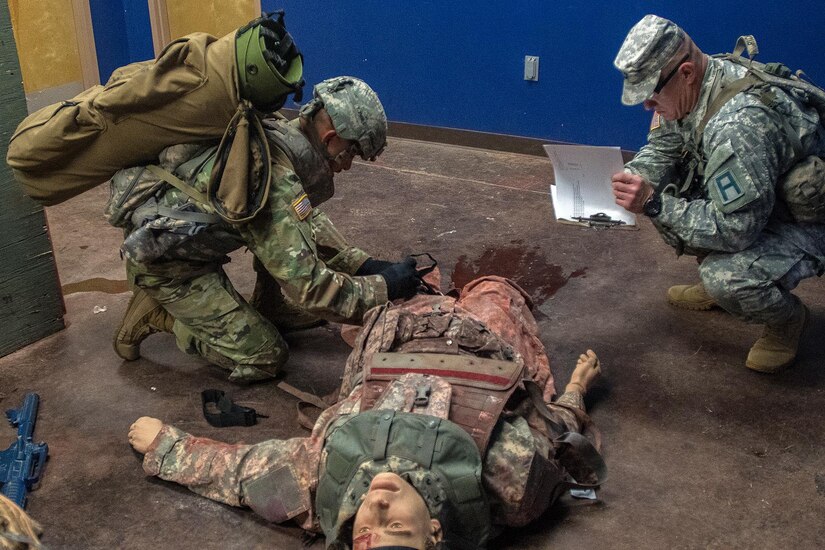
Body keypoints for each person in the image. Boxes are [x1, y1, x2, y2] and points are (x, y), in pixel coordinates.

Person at [128, 276, 606, 549]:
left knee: (401, 299)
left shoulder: (321, 482)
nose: (376, 507)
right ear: (434, 532)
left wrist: (167, 448)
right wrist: (577, 390)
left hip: (392, 339)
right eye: (395, 525)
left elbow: (239, 472)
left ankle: (431, 293)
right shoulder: (510, 480)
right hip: (480, 345)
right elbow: (559, 436)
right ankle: (463, 293)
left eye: (366, 528)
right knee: (494, 289)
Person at [109, 76, 422, 382]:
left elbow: (303, 219)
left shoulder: (279, 134)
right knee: (265, 357)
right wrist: (385, 287)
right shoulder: (275, 181)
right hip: (168, 266)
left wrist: (363, 265)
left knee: (279, 233)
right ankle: (156, 312)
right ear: (330, 138)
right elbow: (313, 291)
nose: (349, 165)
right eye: (351, 152)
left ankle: (269, 304)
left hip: (186, 242)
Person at [611, 14, 825, 373]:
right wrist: (636, 175)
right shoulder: (695, 88)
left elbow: (736, 228)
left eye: (651, 93)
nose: (646, 105)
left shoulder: (737, 125)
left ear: (686, 73)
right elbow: (664, 147)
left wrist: (653, 202)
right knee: (670, 190)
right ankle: (724, 291)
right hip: (761, 198)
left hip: (807, 217)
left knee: (725, 275)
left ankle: (788, 321)